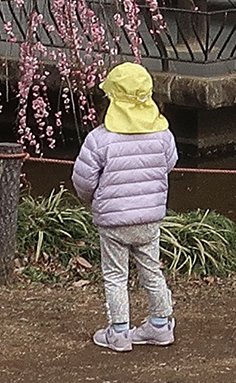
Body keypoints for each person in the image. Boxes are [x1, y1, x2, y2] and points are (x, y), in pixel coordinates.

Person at [72, 62, 178, 352]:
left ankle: (119, 332)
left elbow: (83, 180)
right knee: (152, 270)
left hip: (113, 221)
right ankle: (160, 325)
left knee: (115, 275)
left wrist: (92, 200)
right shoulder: (164, 135)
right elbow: (168, 165)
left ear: (112, 99)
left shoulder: (99, 139)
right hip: (149, 218)